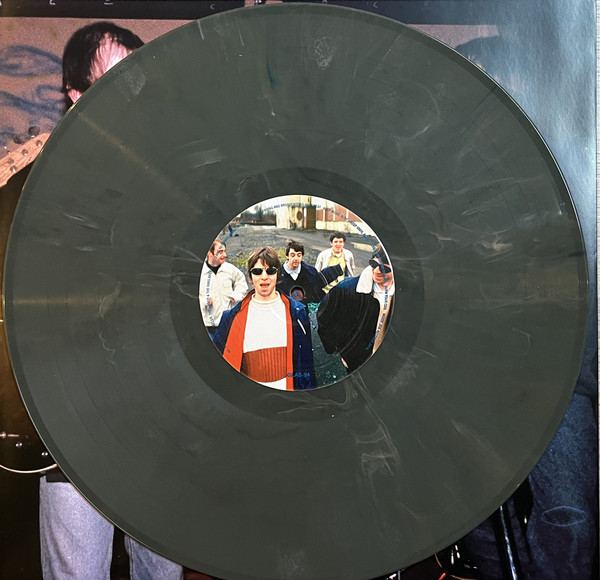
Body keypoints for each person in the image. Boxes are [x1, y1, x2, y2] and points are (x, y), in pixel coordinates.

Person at [38, 22, 183, 580]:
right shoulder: (40, 178)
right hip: (74, 417)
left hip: (158, 415)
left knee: (161, 570)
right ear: (77, 95)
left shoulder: (171, 172)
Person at [213, 246, 315, 390]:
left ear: (278, 274)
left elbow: (307, 368)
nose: (264, 276)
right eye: (257, 271)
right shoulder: (230, 318)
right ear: (250, 277)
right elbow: (218, 369)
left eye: (270, 271)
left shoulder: (298, 314)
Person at [317, 245, 394, 373]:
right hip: (357, 362)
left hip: (391, 362)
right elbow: (324, 316)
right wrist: (341, 350)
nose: (376, 271)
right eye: (373, 264)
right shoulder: (345, 288)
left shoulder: (408, 294)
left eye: (384, 268)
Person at [199, 239, 248, 335]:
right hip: (207, 326)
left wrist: (236, 295)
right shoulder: (200, 273)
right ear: (209, 253)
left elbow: (241, 283)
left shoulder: (230, 270)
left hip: (227, 323)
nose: (225, 255)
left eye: (224, 251)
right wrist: (204, 301)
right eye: (220, 252)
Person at [277, 239, 342, 305]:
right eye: (292, 255)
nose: (296, 258)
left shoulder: (310, 272)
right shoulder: (278, 273)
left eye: (299, 255)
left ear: (302, 256)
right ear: (287, 256)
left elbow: (317, 291)